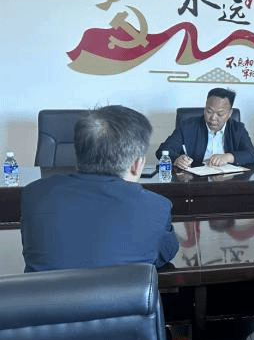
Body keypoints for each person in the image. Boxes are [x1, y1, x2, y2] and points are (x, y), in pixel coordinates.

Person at [21, 105, 179, 272]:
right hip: (122, 291)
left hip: (47, 291)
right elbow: (164, 254)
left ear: (78, 153)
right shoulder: (157, 207)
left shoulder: (34, 195)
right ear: (137, 164)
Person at [156, 87, 254, 169]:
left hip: (228, 181)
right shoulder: (188, 126)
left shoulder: (237, 129)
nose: (213, 118)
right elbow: (163, 150)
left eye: (220, 114)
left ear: (229, 114)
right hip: (194, 181)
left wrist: (228, 157)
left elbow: (251, 155)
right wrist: (177, 159)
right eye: (209, 111)